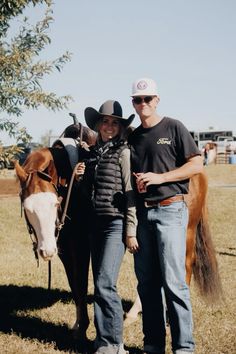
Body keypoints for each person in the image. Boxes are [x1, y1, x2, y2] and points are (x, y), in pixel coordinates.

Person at [127, 78, 203, 354]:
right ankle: (153, 344)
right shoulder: (132, 137)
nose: (143, 103)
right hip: (143, 217)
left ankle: (184, 348)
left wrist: (161, 177)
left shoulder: (173, 127)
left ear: (157, 100)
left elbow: (196, 164)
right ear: (133, 103)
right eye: (138, 99)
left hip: (171, 210)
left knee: (174, 282)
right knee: (147, 284)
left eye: (147, 98)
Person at [80, 100, 137, 354]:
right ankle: (102, 340)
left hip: (115, 223)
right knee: (98, 284)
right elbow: (88, 193)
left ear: (121, 127)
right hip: (95, 224)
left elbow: (130, 192)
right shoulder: (92, 155)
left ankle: (115, 344)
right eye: (105, 122)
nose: (110, 126)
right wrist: (81, 176)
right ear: (98, 125)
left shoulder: (124, 153)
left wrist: (130, 228)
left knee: (105, 283)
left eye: (115, 123)